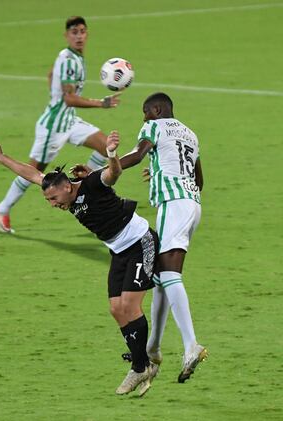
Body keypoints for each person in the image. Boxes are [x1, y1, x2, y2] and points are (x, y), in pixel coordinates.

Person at [0, 132, 159, 396]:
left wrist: (110, 154)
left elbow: (115, 173)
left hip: (139, 242)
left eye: (53, 199)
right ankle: (141, 362)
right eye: (48, 201)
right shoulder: (63, 191)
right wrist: (1, 157)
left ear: (67, 187)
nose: (52, 204)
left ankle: (140, 365)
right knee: (115, 309)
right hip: (119, 250)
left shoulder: (92, 183)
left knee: (129, 306)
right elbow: (32, 174)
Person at [72, 92, 207, 383]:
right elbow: (198, 180)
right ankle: (154, 348)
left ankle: (190, 344)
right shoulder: (191, 134)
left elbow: (135, 155)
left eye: (145, 113)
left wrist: (96, 172)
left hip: (173, 204)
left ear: (156, 110)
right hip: (192, 205)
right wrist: (161, 173)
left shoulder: (154, 127)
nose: (143, 118)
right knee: (160, 277)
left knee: (170, 275)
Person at [0, 16, 120, 234]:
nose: (79, 36)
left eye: (82, 31)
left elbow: (51, 75)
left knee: (103, 145)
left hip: (69, 119)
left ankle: (89, 189)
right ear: (66, 35)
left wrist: (54, 94)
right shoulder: (70, 60)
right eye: (74, 32)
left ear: (87, 34)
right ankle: (2, 209)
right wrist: (102, 103)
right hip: (54, 126)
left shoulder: (69, 56)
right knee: (35, 172)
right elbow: (69, 98)